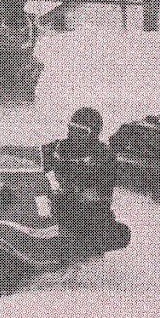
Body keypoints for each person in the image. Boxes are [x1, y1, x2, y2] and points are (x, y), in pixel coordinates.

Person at [42, 107, 131, 259]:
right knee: (42, 207)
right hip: (61, 205)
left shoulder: (104, 156)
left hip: (90, 214)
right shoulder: (59, 147)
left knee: (90, 228)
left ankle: (82, 259)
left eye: (81, 131)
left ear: (92, 134)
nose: (73, 134)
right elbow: (35, 156)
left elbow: (99, 191)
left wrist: (71, 190)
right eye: (72, 128)